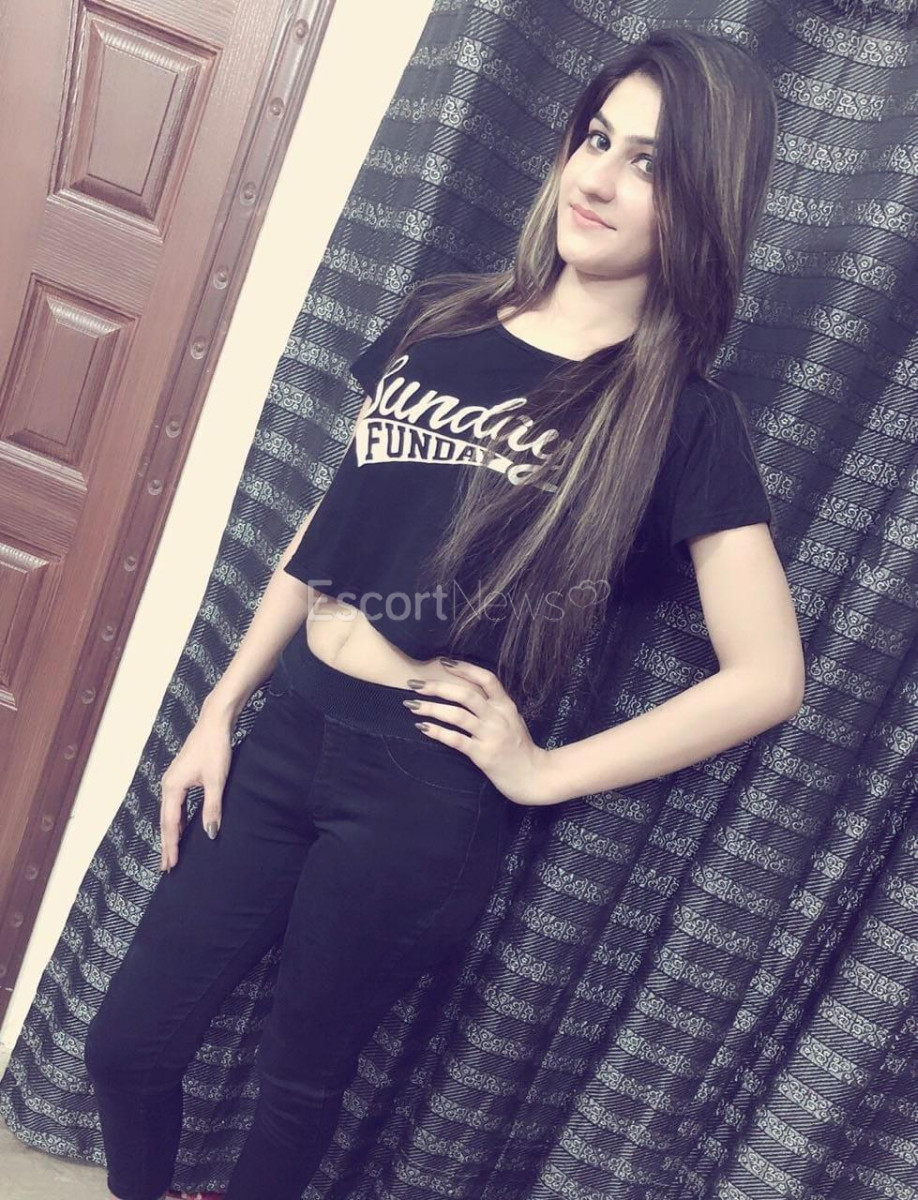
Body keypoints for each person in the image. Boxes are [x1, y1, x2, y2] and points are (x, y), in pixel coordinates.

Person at [83, 28, 805, 1200]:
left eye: (650, 164)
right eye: (596, 139)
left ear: (704, 204)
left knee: (295, 1090)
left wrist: (542, 770)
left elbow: (768, 674)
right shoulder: (444, 321)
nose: (598, 178)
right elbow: (330, 526)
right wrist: (220, 708)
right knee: (129, 1044)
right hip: (286, 735)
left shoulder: (677, 418)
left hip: (418, 788)